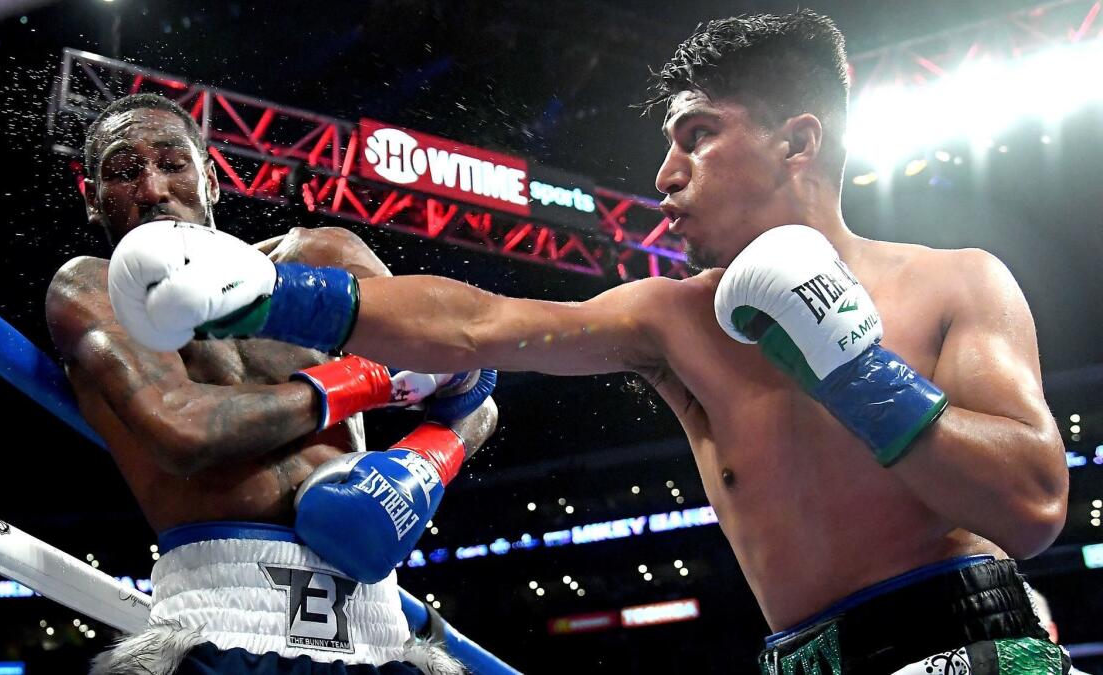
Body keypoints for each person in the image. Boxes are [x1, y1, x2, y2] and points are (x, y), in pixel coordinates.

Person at [108, 11, 1074, 673]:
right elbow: (484, 325)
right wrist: (279, 293)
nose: (665, 172)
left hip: (966, 636)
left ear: (798, 141)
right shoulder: (673, 318)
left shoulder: (957, 280)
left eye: (697, 136)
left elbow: (1032, 503)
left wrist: (857, 372)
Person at [45, 93, 497, 675]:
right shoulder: (91, 289)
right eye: (123, 172)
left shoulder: (319, 256)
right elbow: (184, 428)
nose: (153, 189)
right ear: (93, 199)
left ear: (209, 178)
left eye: (171, 163)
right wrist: (368, 379)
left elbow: (474, 381)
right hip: (218, 621)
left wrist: (418, 468)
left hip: (377, 625)